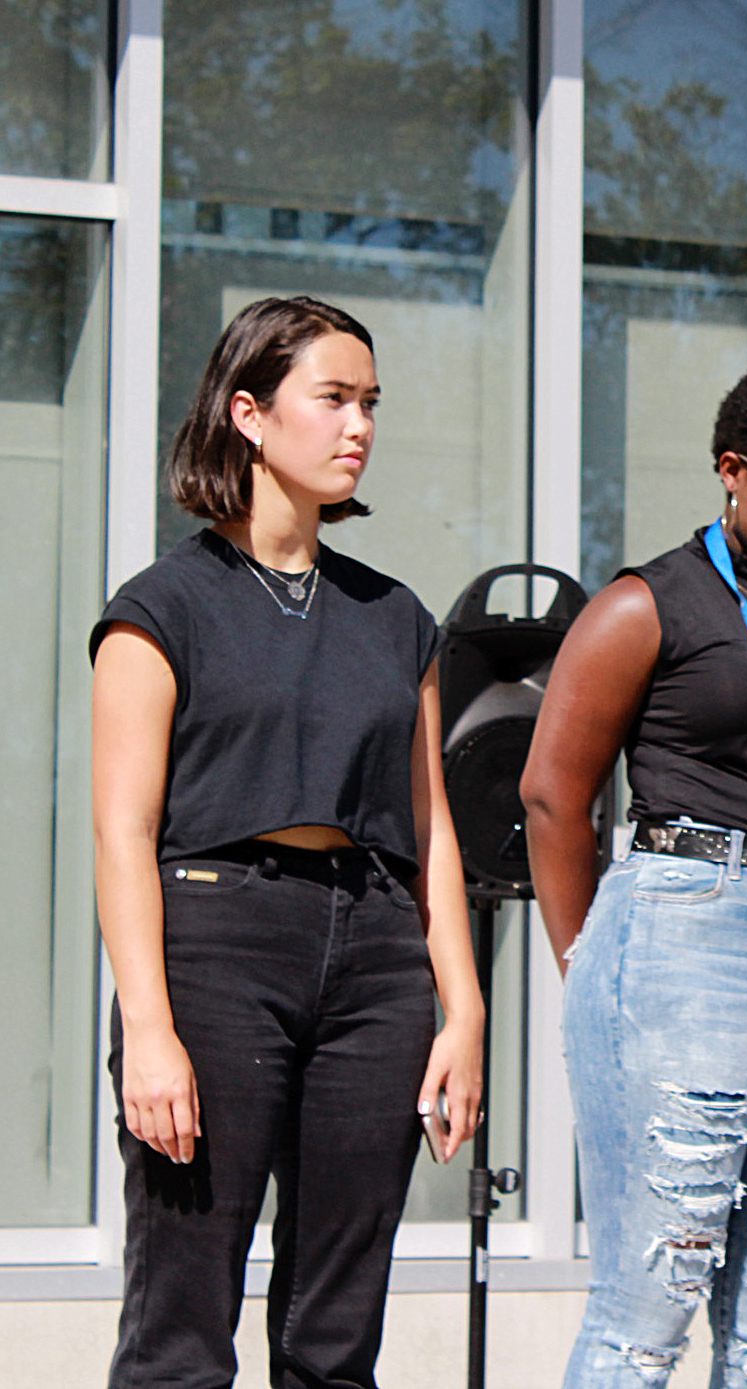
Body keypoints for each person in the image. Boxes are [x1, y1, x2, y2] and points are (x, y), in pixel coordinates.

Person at [91, 295, 484, 1389]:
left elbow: (431, 826)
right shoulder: (159, 609)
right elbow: (122, 834)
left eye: (371, 404)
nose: (359, 425)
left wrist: (464, 1005)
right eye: (334, 399)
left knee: (334, 1327)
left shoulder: (395, 615)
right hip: (214, 940)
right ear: (250, 414)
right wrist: (150, 1027)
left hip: (375, 955)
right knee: (182, 1315)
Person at [520, 361, 747, 1388]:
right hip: (685, 927)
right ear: (734, 471)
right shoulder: (647, 603)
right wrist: (589, 960)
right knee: (652, 1297)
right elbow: (553, 794)